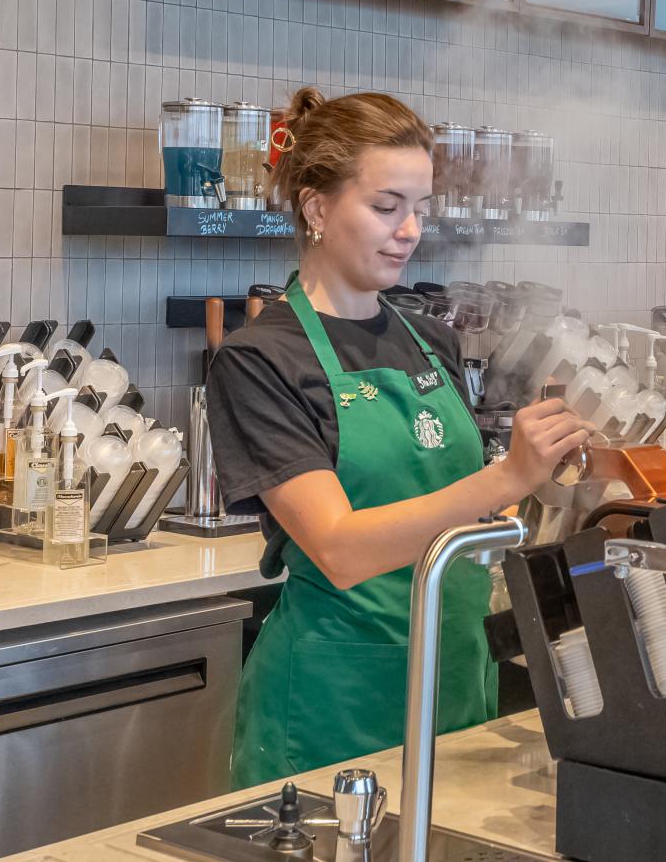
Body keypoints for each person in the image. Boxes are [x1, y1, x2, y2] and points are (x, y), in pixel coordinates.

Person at [207, 88, 590, 788]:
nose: (410, 230)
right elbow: (339, 548)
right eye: (386, 207)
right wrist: (506, 476)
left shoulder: (432, 340)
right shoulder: (261, 360)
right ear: (317, 208)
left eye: (419, 207)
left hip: (454, 681)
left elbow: (456, 509)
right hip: (334, 709)